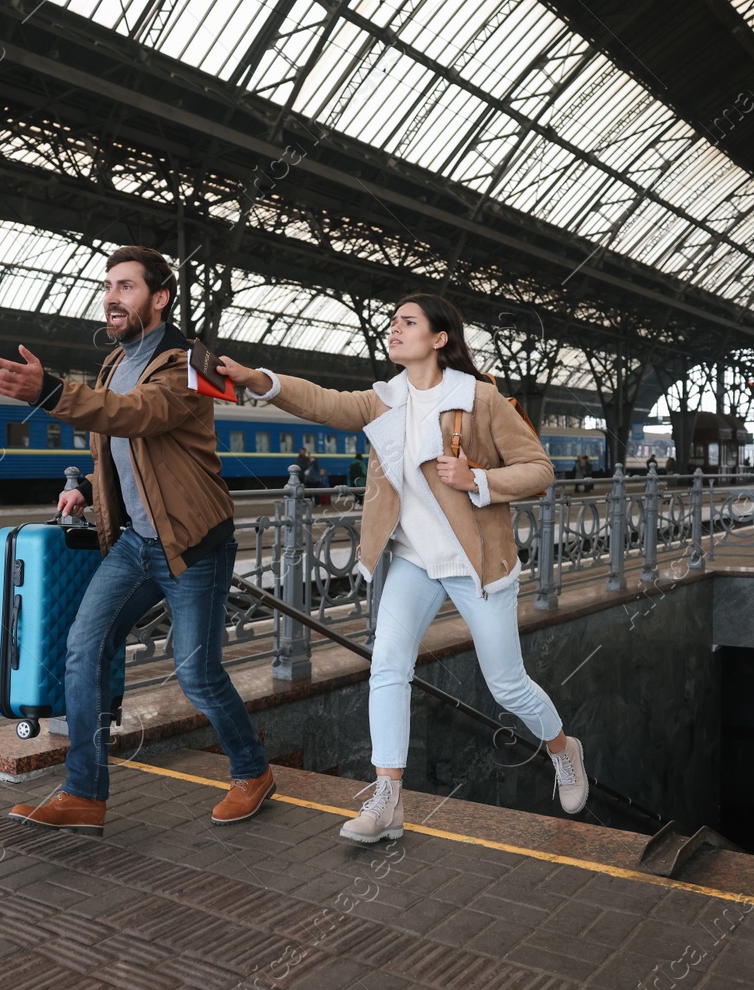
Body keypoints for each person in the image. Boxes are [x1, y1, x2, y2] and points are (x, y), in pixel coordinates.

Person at [217, 293, 589, 843]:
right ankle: (388, 796)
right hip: (413, 561)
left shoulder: (480, 399)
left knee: (506, 685)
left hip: (476, 564)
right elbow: (323, 403)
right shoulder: (382, 399)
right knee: (388, 667)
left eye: (407, 322)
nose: (394, 329)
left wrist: (478, 480)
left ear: (439, 339)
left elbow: (539, 469)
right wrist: (257, 379)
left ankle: (564, 750)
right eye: (392, 321)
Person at [0, 245, 273, 836]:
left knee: (196, 675)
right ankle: (84, 793)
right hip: (137, 542)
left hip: (192, 543)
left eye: (127, 287)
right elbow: (120, 445)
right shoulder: (116, 362)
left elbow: (139, 416)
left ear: (159, 297)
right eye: (108, 285)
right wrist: (88, 488)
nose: (112, 297)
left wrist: (50, 392)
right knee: (83, 650)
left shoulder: (186, 363)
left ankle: (253, 772)